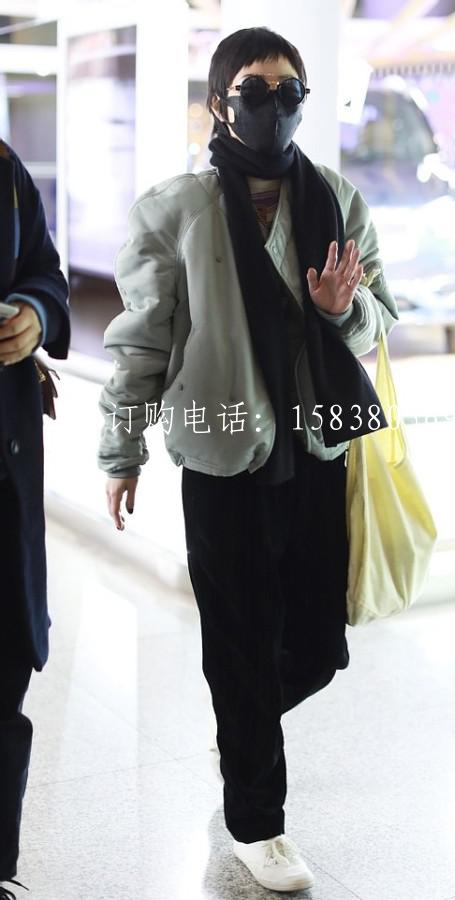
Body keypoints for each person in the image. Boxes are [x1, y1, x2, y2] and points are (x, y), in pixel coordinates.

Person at [98, 27, 398, 893]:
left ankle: (241, 728)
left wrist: (342, 310)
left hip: (316, 449)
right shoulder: (175, 210)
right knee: (238, 638)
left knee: (317, 646)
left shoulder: (337, 200)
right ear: (218, 106)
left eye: (288, 91)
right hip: (221, 455)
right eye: (254, 91)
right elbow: (142, 343)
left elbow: (380, 318)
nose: (274, 106)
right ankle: (257, 821)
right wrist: (121, 449)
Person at [0, 140, 70, 900]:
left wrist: (34, 316)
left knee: (5, 673)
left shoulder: (4, 169)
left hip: (5, 475)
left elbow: (44, 271)